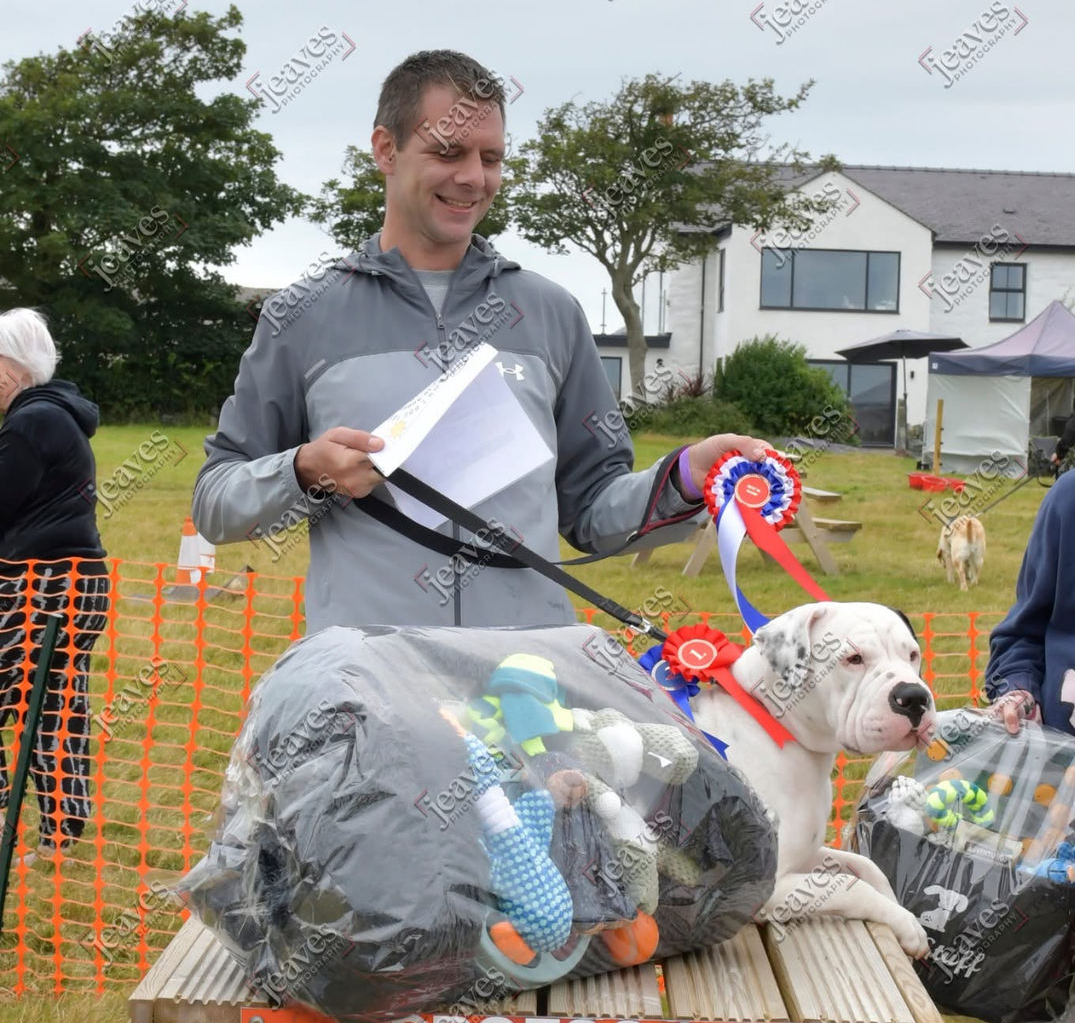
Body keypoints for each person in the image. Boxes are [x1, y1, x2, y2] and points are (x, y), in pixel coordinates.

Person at [193, 48, 776, 629]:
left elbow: (593, 509)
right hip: (370, 688)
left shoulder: (551, 313)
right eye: (448, 151)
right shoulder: (301, 315)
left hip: (524, 686)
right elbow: (215, 503)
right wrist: (302, 471)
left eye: (490, 157)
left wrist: (685, 476)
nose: (473, 177)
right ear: (386, 150)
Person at [984, 466, 1075, 1023]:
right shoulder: (1072, 498)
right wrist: (1017, 688)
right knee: (1038, 988)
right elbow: (1022, 634)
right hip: (1063, 795)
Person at [0, 309, 109, 860]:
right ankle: (60, 839)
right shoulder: (55, 414)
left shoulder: (33, 421)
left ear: (8, 369)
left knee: (49, 704)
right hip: (78, 581)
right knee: (56, 706)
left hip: (40, 583)